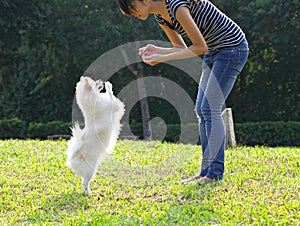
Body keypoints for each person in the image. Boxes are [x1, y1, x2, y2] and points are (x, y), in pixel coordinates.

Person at [117, 0, 248, 185]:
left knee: (210, 108)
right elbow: (181, 48)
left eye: (132, 8)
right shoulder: (161, 16)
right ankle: (206, 172)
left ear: (145, 0)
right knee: (202, 110)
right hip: (214, 51)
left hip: (232, 48)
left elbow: (199, 47)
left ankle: (215, 173)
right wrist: (157, 50)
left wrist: (161, 57)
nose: (133, 14)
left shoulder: (177, 7)